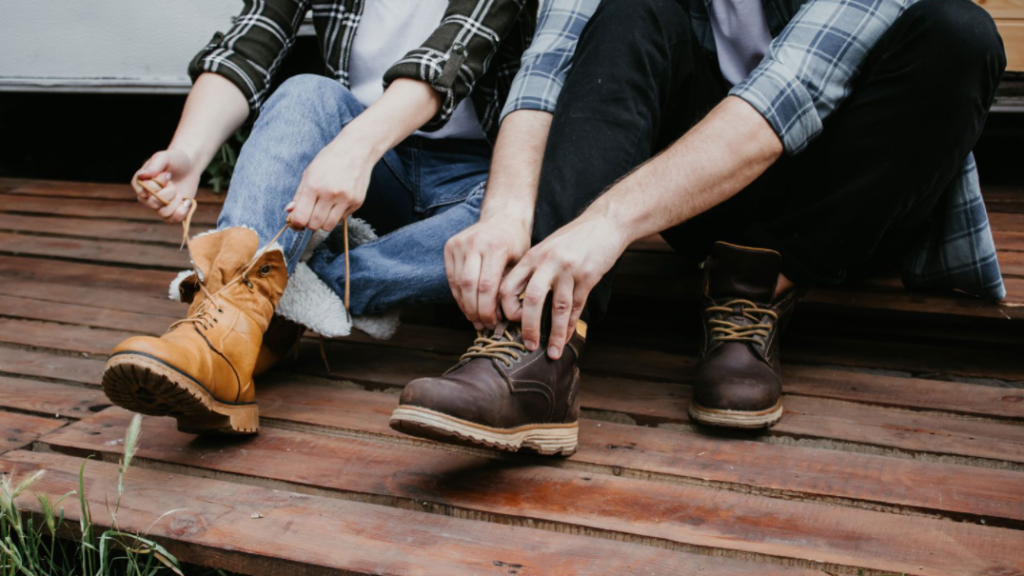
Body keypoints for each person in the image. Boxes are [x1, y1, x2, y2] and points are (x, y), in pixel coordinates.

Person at [390, 0, 1007, 453]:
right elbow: (551, 60)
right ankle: (537, 344)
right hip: (691, 190)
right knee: (629, 9)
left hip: (842, 193)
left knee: (961, 34)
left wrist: (606, 222)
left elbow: (789, 89)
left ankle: (759, 288)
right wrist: (504, 217)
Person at [101, 0, 540, 435]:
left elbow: (452, 50)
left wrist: (355, 149)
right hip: (365, 169)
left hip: (490, 177)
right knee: (306, 92)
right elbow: (252, 39)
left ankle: (277, 305)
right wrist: (188, 153)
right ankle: (226, 328)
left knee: (533, 219)